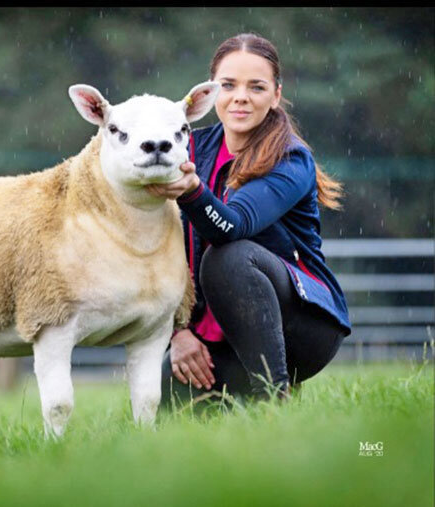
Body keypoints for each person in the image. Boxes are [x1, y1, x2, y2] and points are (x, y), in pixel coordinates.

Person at [146, 33, 351, 407]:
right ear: (211, 93)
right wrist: (178, 332)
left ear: (275, 95)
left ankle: (275, 401)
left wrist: (192, 191)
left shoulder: (292, 160)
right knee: (170, 412)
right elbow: (150, 245)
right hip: (212, 335)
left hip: (302, 328)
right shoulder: (188, 146)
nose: (240, 96)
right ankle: (243, 397)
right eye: (228, 85)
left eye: (256, 86)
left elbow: (232, 226)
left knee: (230, 256)